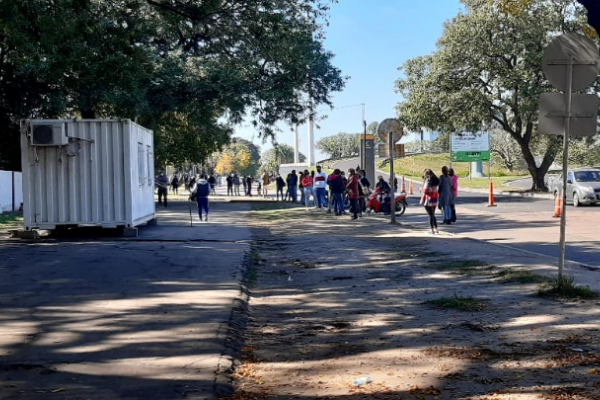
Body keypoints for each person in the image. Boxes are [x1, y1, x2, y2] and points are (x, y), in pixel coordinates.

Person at [419, 169, 440, 235]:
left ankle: (432, 230)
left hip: (428, 200)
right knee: (433, 215)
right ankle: (436, 229)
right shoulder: (436, 181)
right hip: (434, 199)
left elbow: (425, 190)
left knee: (430, 215)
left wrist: (420, 189)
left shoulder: (428, 181)